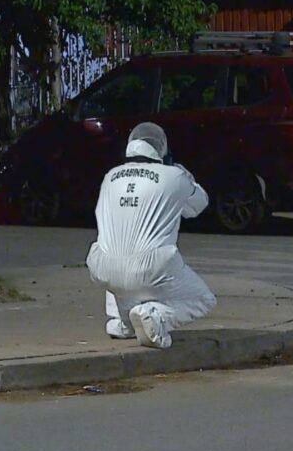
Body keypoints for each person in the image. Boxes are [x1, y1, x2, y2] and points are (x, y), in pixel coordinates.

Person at [85, 122, 216, 349]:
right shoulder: (173, 176)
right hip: (152, 269)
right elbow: (198, 205)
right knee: (204, 300)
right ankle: (155, 317)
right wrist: (188, 178)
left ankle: (121, 322)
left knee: (117, 251)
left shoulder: (110, 177)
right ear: (161, 149)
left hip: (104, 270)